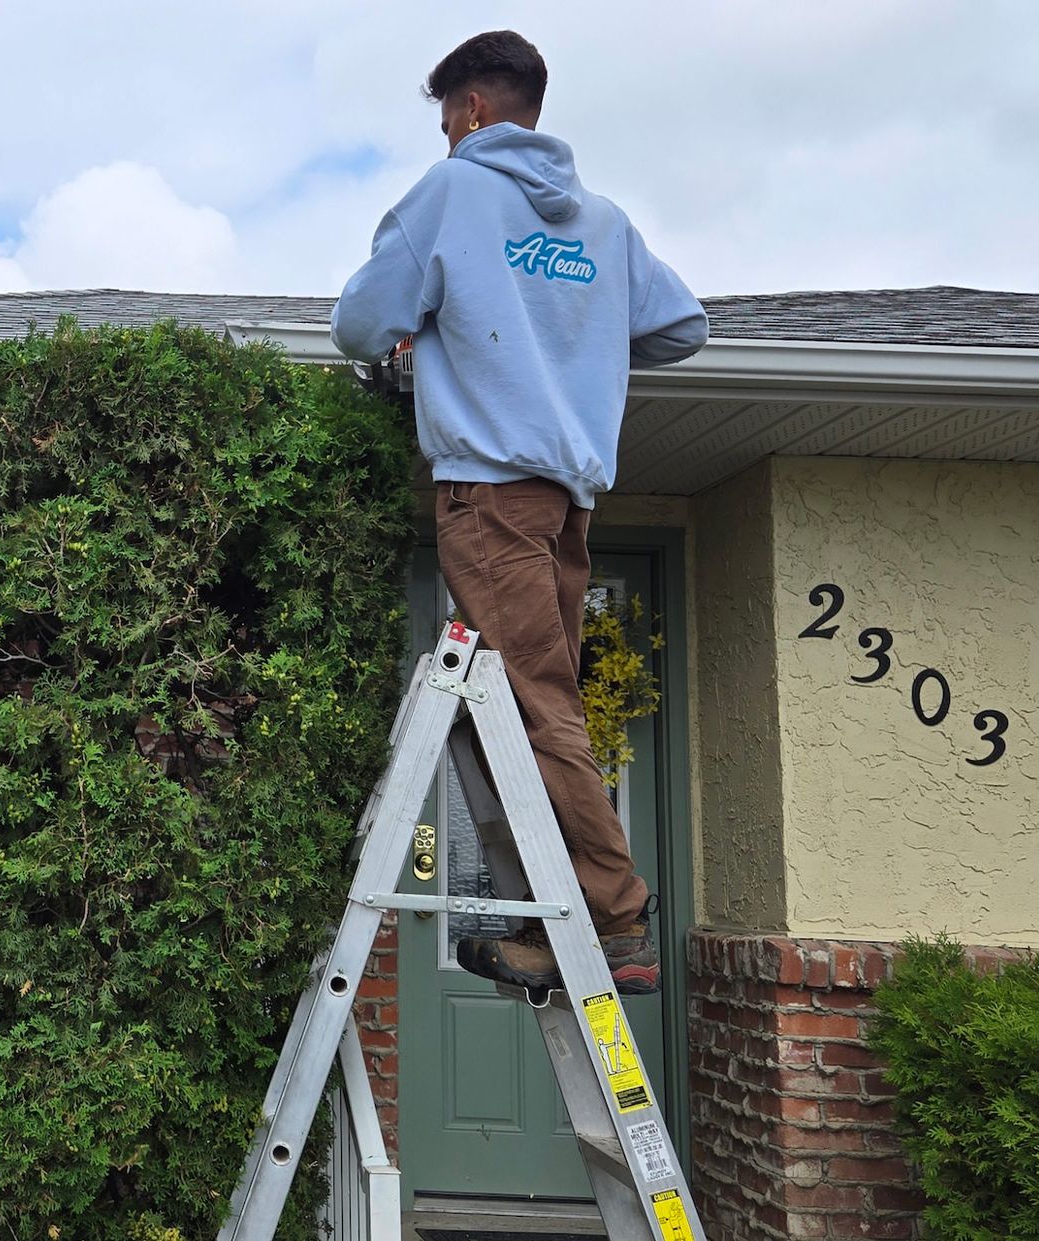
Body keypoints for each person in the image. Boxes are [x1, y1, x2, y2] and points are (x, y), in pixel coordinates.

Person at [330, 30, 708, 996]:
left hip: (490, 495)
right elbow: (679, 325)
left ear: (473, 111)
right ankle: (556, 917)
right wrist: (570, 338)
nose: (446, 137)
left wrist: (451, 335)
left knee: (537, 709)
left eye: (446, 120)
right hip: (565, 502)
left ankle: (616, 920)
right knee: (526, 706)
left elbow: (360, 322)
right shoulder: (604, 223)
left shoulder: (455, 192)